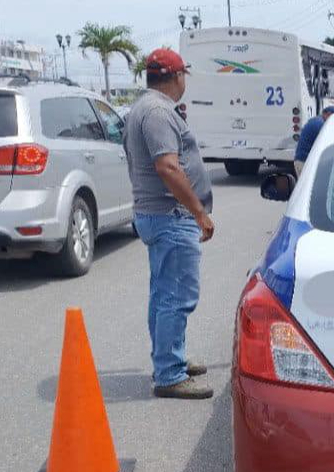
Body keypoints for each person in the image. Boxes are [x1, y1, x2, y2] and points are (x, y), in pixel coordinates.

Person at [123, 48, 216, 400]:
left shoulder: (144, 107)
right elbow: (167, 167)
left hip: (158, 215)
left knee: (164, 294)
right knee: (176, 296)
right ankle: (169, 374)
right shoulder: (159, 112)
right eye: (184, 76)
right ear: (177, 77)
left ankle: (169, 358)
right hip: (171, 216)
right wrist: (198, 212)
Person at [293, 105, 334, 177]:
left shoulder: (316, 120)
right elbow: (326, 145)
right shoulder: (320, 124)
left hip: (301, 160)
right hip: (304, 162)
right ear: (328, 114)